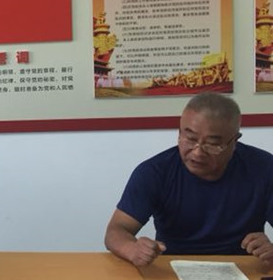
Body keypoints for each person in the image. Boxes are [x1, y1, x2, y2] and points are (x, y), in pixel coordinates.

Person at [105, 92, 273, 267]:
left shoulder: (264, 168)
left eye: (212, 144)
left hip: (245, 269)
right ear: (179, 133)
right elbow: (117, 230)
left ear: (234, 141)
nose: (198, 152)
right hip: (173, 268)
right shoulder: (155, 172)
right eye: (190, 139)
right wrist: (132, 249)